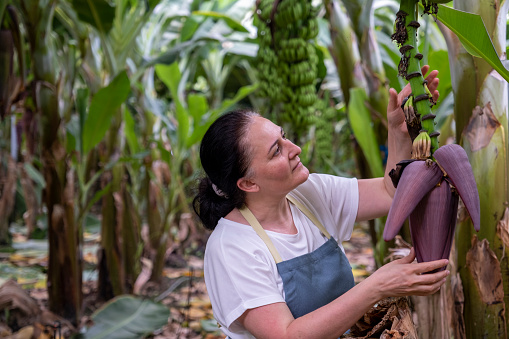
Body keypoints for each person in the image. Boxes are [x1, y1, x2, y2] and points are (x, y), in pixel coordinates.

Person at [193, 66, 449, 339]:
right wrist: (377, 286)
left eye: (284, 136)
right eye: (276, 151)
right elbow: (286, 335)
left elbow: (389, 193)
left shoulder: (309, 193)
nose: (295, 149)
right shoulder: (231, 248)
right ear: (248, 184)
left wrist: (398, 131)